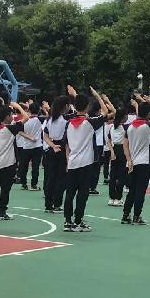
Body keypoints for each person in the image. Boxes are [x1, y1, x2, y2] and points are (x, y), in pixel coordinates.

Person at [63, 88, 108, 232]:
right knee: (82, 194)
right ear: (88, 107)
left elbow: (66, 144)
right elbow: (106, 112)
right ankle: (78, 221)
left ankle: (67, 221)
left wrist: (68, 160)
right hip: (86, 163)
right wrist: (97, 95)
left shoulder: (68, 122)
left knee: (70, 193)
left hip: (72, 162)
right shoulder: (90, 122)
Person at [121, 94, 150, 225]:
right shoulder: (148, 126)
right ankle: (137, 215)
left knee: (132, 191)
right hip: (144, 162)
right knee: (140, 191)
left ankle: (125, 215)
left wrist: (129, 159)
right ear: (148, 114)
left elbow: (125, 144)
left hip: (132, 163)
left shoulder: (130, 127)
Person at [0, 103, 29, 220]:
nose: (12, 117)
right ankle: (2, 212)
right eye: (11, 114)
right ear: (6, 117)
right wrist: (18, 107)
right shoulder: (10, 128)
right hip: (8, 163)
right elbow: (26, 117)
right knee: (5, 189)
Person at [42, 95, 71, 213]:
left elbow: (45, 136)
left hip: (52, 149)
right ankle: (57, 204)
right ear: (65, 106)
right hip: (62, 148)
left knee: (51, 178)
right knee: (61, 179)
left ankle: (48, 204)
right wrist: (68, 157)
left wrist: (53, 145)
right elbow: (67, 140)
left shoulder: (50, 119)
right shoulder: (65, 119)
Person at [17, 102, 45, 191]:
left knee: (24, 166)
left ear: (29, 110)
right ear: (39, 110)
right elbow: (49, 116)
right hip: (37, 146)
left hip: (26, 146)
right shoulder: (40, 119)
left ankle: (23, 184)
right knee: (35, 167)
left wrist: (28, 137)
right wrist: (45, 109)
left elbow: (19, 131)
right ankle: (33, 185)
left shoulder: (24, 120)